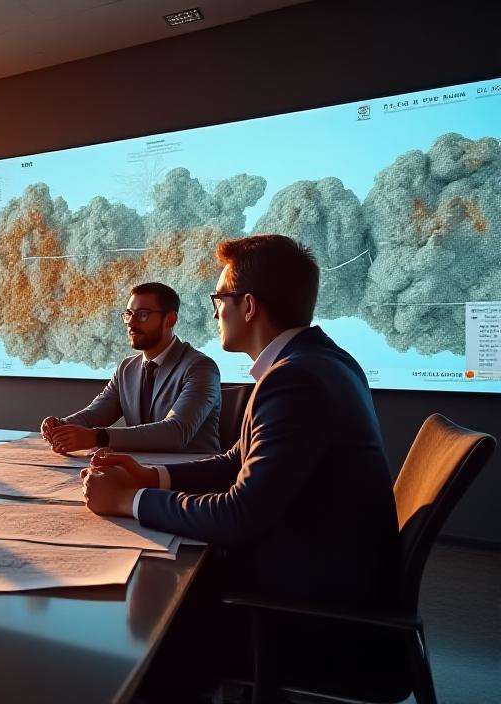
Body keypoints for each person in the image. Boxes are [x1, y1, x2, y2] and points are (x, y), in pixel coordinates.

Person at [83, 234, 401, 695]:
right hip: (321, 579)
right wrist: (152, 476)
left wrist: (129, 500)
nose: (214, 312)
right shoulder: (316, 361)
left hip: (311, 620)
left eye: (219, 299)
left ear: (247, 306)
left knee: (144, 625)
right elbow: (237, 461)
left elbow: (238, 515)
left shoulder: (295, 380)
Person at [40, 282, 221, 454]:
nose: (131, 324)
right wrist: (60, 425)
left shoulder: (200, 368)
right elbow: (95, 415)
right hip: (141, 472)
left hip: (192, 478)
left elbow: (176, 432)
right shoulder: (127, 368)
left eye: (142, 315)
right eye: (128, 314)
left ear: (170, 320)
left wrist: (98, 437)